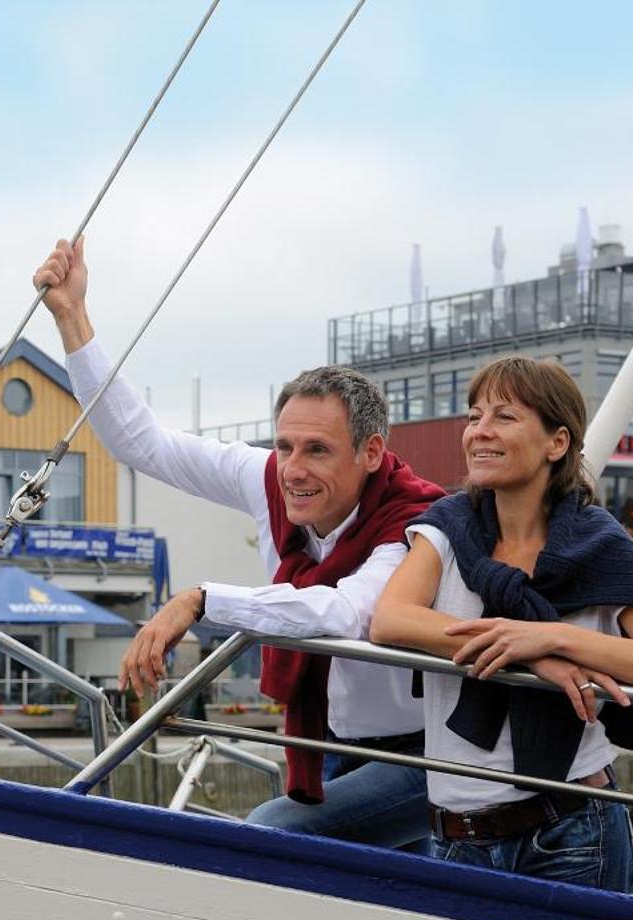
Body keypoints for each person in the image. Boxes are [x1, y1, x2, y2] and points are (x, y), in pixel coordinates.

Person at [34, 237, 444, 848]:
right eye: (284, 446)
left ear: (372, 453)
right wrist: (72, 317)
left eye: (317, 450)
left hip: (429, 757)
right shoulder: (269, 480)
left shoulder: (415, 522)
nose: (293, 468)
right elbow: (142, 444)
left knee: (270, 834)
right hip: (327, 745)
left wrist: (201, 600)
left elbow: (351, 613)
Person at [370, 356, 633, 891]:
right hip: (458, 835)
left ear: (557, 443)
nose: (479, 431)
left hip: (573, 829)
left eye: (504, 417)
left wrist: (553, 635)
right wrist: (528, 654)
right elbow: (390, 621)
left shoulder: (599, 544)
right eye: (474, 415)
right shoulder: (446, 528)